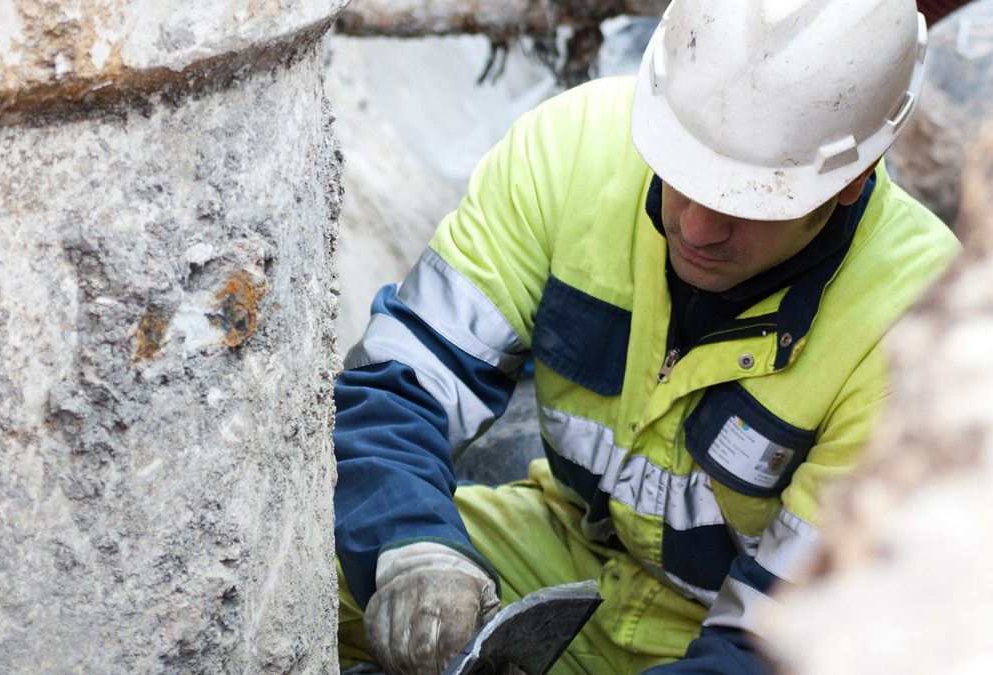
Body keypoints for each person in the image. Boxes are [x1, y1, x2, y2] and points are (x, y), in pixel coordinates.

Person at [334, 1, 961, 673]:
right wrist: (410, 550)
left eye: (750, 204)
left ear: (853, 179)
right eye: (681, 172)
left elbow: (791, 638)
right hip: (570, 550)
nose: (694, 228)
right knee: (304, 565)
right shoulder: (570, 150)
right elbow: (398, 385)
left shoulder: (920, 330)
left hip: (737, 629)